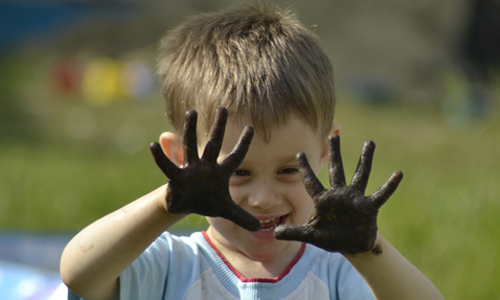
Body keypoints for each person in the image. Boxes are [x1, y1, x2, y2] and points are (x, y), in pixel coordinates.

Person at [60, 4, 445, 300]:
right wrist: (167, 203)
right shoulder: (170, 265)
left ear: (327, 149)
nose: (263, 199)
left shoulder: (337, 274)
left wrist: (367, 251)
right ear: (182, 159)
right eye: (237, 172)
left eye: (289, 170)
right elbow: (79, 273)